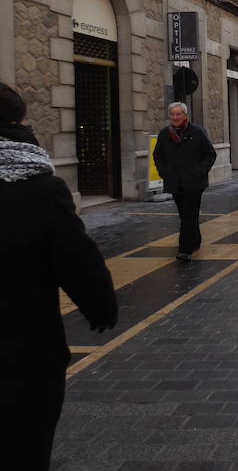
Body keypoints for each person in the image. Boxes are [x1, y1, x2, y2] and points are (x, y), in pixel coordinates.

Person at [0, 83, 118, 470]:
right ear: (19, 122)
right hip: (21, 350)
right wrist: (100, 307)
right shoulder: (38, 187)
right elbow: (75, 257)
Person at [153, 102, 217, 262]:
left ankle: (184, 249)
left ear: (185, 115)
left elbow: (210, 154)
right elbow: (157, 155)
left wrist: (200, 171)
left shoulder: (197, 132)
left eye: (178, 114)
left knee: (188, 213)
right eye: (172, 114)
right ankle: (195, 241)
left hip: (194, 182)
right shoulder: (164, 134)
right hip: (175, 181)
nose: (175, 117)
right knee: (187, 214)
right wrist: (164, 172)